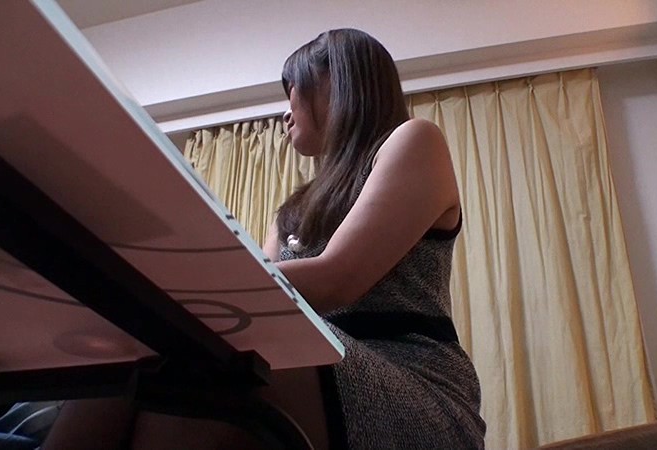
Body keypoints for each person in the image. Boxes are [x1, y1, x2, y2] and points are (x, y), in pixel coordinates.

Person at [44, 28, 485, 449]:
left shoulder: (414, 140)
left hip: (412, 379)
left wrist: (177, 281)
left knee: (204, 354)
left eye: (292, 90)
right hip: (311, 360)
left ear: (336, 80)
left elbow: (336, 279)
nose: (285, 113)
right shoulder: (293, 210)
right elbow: (262, 292)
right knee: (141, 352)